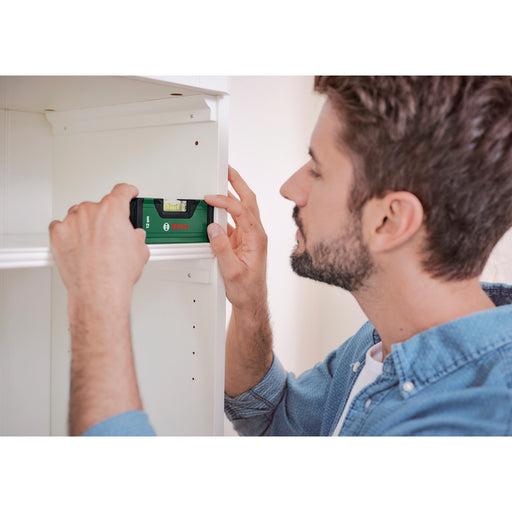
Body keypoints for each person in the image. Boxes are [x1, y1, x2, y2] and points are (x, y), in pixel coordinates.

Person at [50, 76, 512, 436]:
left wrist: (97, 300)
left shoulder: (476, 423)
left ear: (390, 220)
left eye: (318, 170)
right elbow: (271, 418)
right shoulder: (380, 344)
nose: (290, 188)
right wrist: (248, 302)